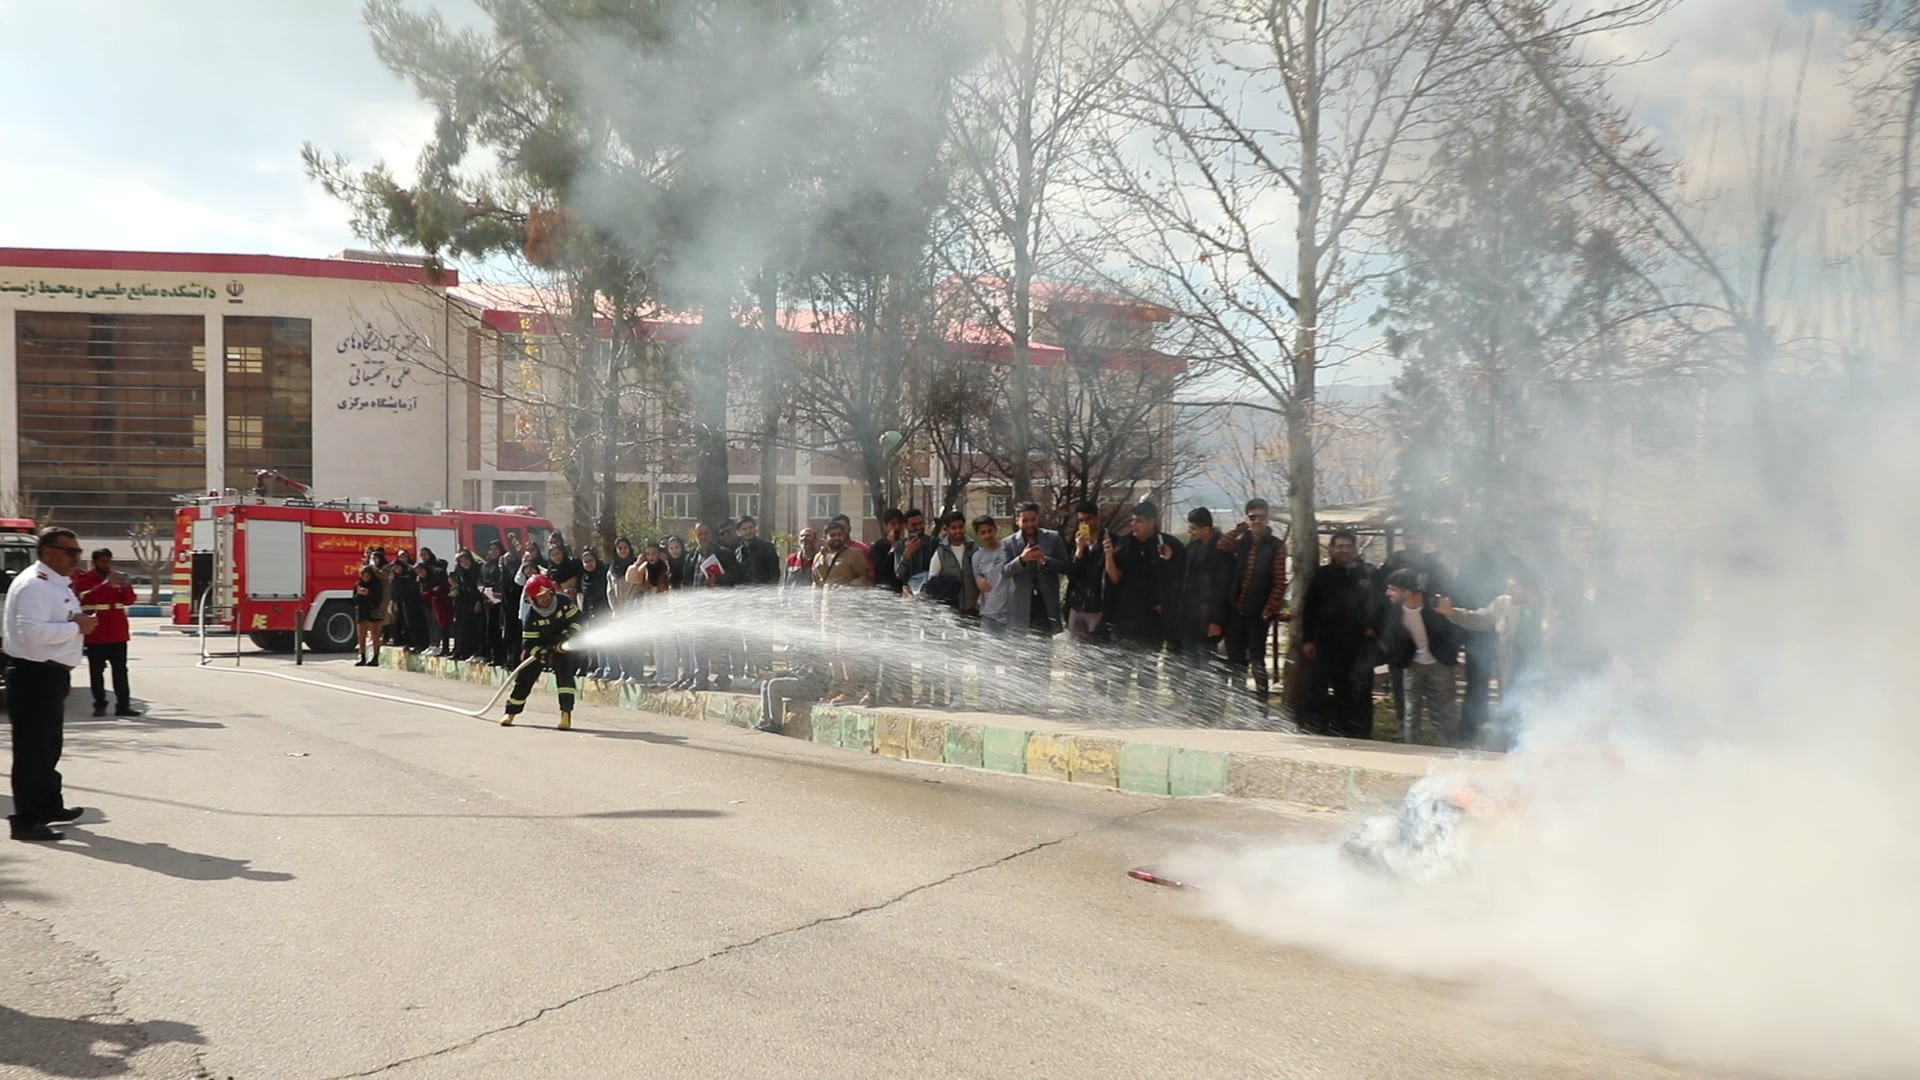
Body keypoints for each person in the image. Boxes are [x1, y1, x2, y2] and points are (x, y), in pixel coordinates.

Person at [3, 528, 95, 842]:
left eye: (77, 551)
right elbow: (34, 635)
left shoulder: (55, 583)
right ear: (47, 552)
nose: (76, 558)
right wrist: (76, 626)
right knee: (32, 750)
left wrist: (77, 623)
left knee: (48, 745)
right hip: (34, 674)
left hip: (50, 673)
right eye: (70, 552)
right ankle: (25, 820)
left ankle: (48, 805)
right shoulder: (35, 585)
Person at [1297, 530, 1380, 739]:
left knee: (1358, 691)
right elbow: (1310, 608)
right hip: (1327, 643)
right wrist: (1308, 639)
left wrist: (1373, 627)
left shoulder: (1369, 574)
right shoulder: (1323, 575)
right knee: (1321, 688)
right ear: (1332, 550)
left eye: (1347, 546)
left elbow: (1381, 605)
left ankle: (1360, 734)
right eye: (1339, 547)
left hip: (1360, 644)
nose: (1343, 550)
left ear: (1354, 548)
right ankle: (1322, 730)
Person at [1102, 501, 1184, 694]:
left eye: (1139, 521)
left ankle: (1145, 716)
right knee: (1120, 672)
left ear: (1152, 522)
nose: (1134, 525)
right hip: (1124, 620)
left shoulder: (1167, 544)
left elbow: (1181, 579)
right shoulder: (1125, 543)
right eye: (1133, 521)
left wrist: (1166, 603)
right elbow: (1114, 577)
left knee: (1147, 673)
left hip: (1152, 622)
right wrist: (1108, 556)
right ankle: (1115, 712)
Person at [1380, 567, 1461, 745]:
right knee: (1411, 710)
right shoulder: (1394, 610)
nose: (1388, 593)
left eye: (1393, 589)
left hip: (1440, 662)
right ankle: (1411, 748)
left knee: (1446, 709)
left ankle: (1450, 749)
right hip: (1412, 663)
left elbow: (1452, 630)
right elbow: (1389, 637)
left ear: (1407, 592)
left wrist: (1449, 654)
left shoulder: (1435, 605)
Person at [1218, 498, 1288, 698]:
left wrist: (1267, 611)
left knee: (1257, 660)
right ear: (1247, 518)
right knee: (1236, 661)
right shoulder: (1242, 542)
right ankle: (1239, 703)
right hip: (1236, 610)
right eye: (1252, 517)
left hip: (1258, 613)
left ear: (1267, 519)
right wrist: (1241, 528)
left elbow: (1279, 581)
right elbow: (1222, 545)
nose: (1257, 521)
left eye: (1261, 517)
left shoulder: (1276, 546)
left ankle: (1261, 706)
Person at [501, 573, 587, 730]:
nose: (546, 598)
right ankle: (510, 713)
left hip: (563, 646)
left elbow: (578, 621)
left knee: (566, 679)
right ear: (533, 600)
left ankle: (566, 715)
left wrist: (568, 635)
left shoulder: (564, 603)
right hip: (539, 650)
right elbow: (528, 643)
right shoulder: (531, 616)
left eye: (548, 594)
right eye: (541, 597)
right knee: (524, 679)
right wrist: (542, 653)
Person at [70, 548, 141, 718]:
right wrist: (105, 585)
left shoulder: (116, 577)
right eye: (103, 561)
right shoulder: (84, 579)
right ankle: (100, 704)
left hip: (117, 633)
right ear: (94, 562)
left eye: (108, 561)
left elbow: (128, 601)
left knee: (121, 672)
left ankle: (123, 706)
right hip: (96, 634)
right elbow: (85, 598)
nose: (106, 565)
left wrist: (126, 586)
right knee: (97, 672)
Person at [1064, 501, 1108, 641]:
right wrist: (1079, 551)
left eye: (1088, 519)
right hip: (1077, 604)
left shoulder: (1110, 541)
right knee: (1076, 655)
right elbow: (1071, 575)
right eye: (1081, 520)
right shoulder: (1076, 542)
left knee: (1098, 651)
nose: (1085, 524)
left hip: (1099, 606)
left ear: (1097, 517)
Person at [353, 565, 384, 666]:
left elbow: (379, 599)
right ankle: (362, 656)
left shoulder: (376, 584)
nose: (365, 578)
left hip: (372, 613)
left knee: (375, 636)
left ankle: (376, 657)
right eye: (364, 576)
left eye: (367, 576)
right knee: (361, 636)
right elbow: (354, 600)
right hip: (362, 613)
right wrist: (359, 594)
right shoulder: (358, 584)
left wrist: (368, 594)